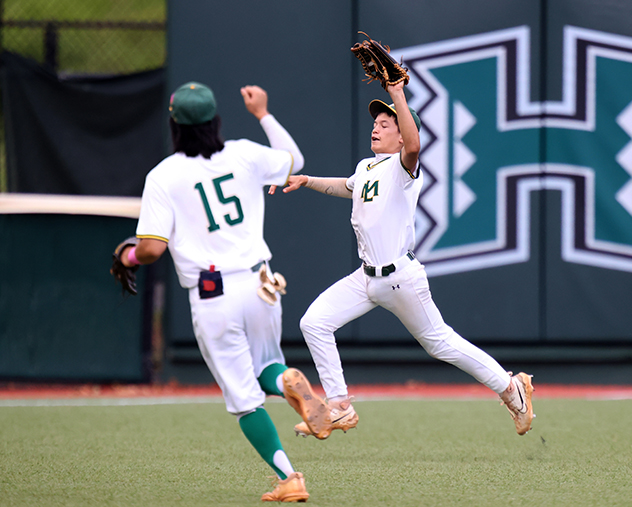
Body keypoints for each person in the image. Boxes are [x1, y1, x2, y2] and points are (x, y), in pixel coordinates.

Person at [277, 81, 535, 438]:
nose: (376, 127)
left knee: (440, 342)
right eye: (376, 122)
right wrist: (308, 181)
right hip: (366, 278)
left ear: (401, 137)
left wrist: (397, 93)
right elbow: (347, 187)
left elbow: (414, 146)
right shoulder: (368, 166)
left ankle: (511, 389)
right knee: (314, 323)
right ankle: (338, 405)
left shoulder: (404, 167)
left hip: (400, 277)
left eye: (386, 124)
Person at [116, 81, 333, 502]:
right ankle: (287, 378)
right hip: (261, 282)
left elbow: (152, 248)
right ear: (215, 120)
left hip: (214, 293)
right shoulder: (245, 153)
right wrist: (263, 113)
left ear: (174, 124)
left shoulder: (164, 175)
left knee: (244, 398)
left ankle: (290, 477)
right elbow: (295, 161)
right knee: (266, 367)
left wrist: (128, 256)